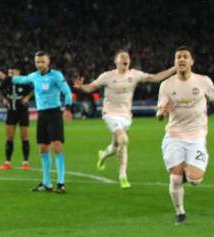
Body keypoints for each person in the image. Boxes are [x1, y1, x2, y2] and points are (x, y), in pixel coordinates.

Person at [74, 50, 175, 188]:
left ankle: (103, 155)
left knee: (116, 146)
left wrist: (175, 68)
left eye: (127, 57)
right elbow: (90, 87)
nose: (125, 59)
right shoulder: (107, 76)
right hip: (110, 113)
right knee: (124, 140)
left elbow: (156, 78)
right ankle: (123, 176)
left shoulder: (134, 74)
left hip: (126, 116)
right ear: (116, 61)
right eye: (122, 57)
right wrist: (81, 87)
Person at [156, 46, 214, 225]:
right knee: (175, 177)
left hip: (196, 137)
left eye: (185, 57)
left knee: (195, 180)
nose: (181, 59)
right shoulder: (166, 85)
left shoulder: (204, 81)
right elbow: (159, 114)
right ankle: (180, 212)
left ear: (191, 62)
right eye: (178, 57)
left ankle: (189, 171)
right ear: (175, 62)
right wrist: (161, 113)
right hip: (174, 137)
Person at [12, 51, 72, 193]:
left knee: (57, 147)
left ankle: (61, 182)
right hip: (42, 115)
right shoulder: (34, 76)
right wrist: (8, 78)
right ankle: (46, 183)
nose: (40, 64)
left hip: (55, 113)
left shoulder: (56, 76)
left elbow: (67, 92)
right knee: (43, 149)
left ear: (48, 62)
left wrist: (68, 108)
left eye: (42, 62)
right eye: (37, 62)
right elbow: (21, 79)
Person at [0, 68, 33, 170]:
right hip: (11, 112)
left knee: (24, 138)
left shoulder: (24, 82)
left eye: (13, 72)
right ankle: (7, 162)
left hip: (23, 112)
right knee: (9, 138)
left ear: (18, 73)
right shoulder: (7, 82)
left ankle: (25, 162)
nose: (10, 74)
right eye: (9, 73)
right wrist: (3, 98)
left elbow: (34, 89)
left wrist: (28, 97)